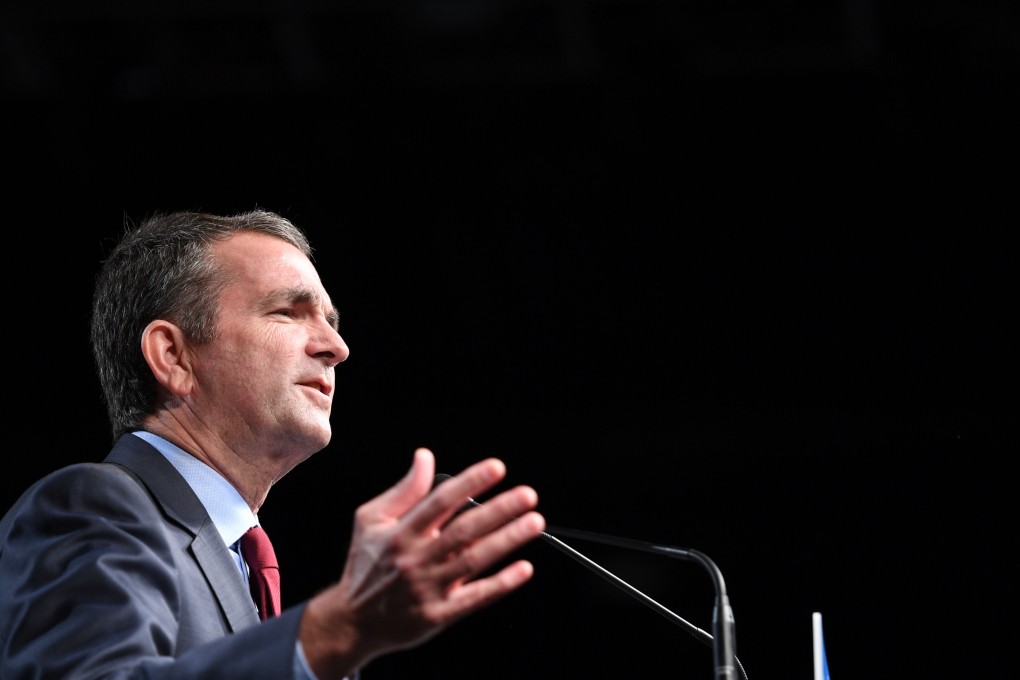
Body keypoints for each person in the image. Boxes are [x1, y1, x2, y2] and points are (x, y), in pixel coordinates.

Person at [0, 209, 546, 679]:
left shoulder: (234, 553)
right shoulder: (91, 506)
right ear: (173, 356)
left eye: (331, 322)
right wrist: (340, 629)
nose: (337, 347)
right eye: (288, 312)